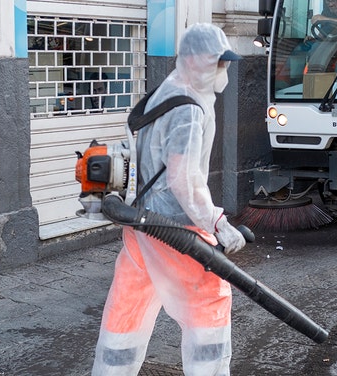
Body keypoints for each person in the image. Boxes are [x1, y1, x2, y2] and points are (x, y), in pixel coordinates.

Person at [91, 23, 246, 376]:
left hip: (141, 225)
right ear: (193, 61)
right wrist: (217, 223)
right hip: (175, 227)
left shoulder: (165, 91)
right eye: (217, 63)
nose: (224, 71)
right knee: (209, 299)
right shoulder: (188, 109)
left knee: (129, 303)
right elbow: (183, 180)